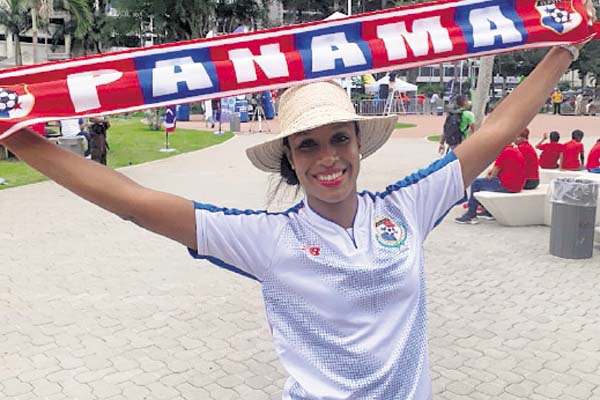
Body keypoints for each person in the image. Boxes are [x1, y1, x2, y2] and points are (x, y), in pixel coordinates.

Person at [0, 7, 596, 396]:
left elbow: (491, 135)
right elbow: (133, 200)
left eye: (340, 138)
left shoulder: (405, 207)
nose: (328, 156)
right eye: (308, 145)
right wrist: (16, 136)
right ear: (290, 159)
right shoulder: (266, 240)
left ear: (358, 144)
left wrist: (565, 47)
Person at [454, 137, 526, 224]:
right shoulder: (514, 150)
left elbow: (493, 174)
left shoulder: (504, 152)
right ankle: (487, 211)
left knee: (476, 183)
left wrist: (489, 175)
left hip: (507, 186)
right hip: (517, 185)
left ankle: (471, 214)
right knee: (485, 183)